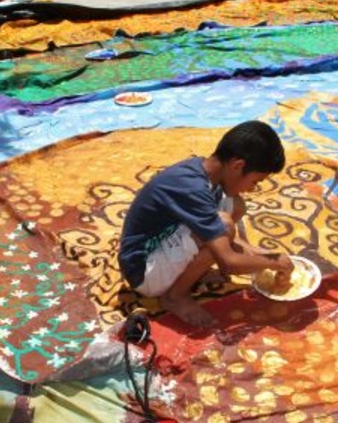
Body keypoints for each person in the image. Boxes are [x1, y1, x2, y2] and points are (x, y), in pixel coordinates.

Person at [118, 121, 295, 328]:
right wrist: (273, 261)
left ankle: (190, 271)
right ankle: (175, 296)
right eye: (255, 181)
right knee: (223, 224)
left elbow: (225, 236)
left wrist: (259, 254)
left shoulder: (204, 171)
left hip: (161, 248)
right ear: (237, 165)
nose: (253, 188)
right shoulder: (193, 189)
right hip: (144, 271)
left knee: (234, 204)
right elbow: (228, 264)